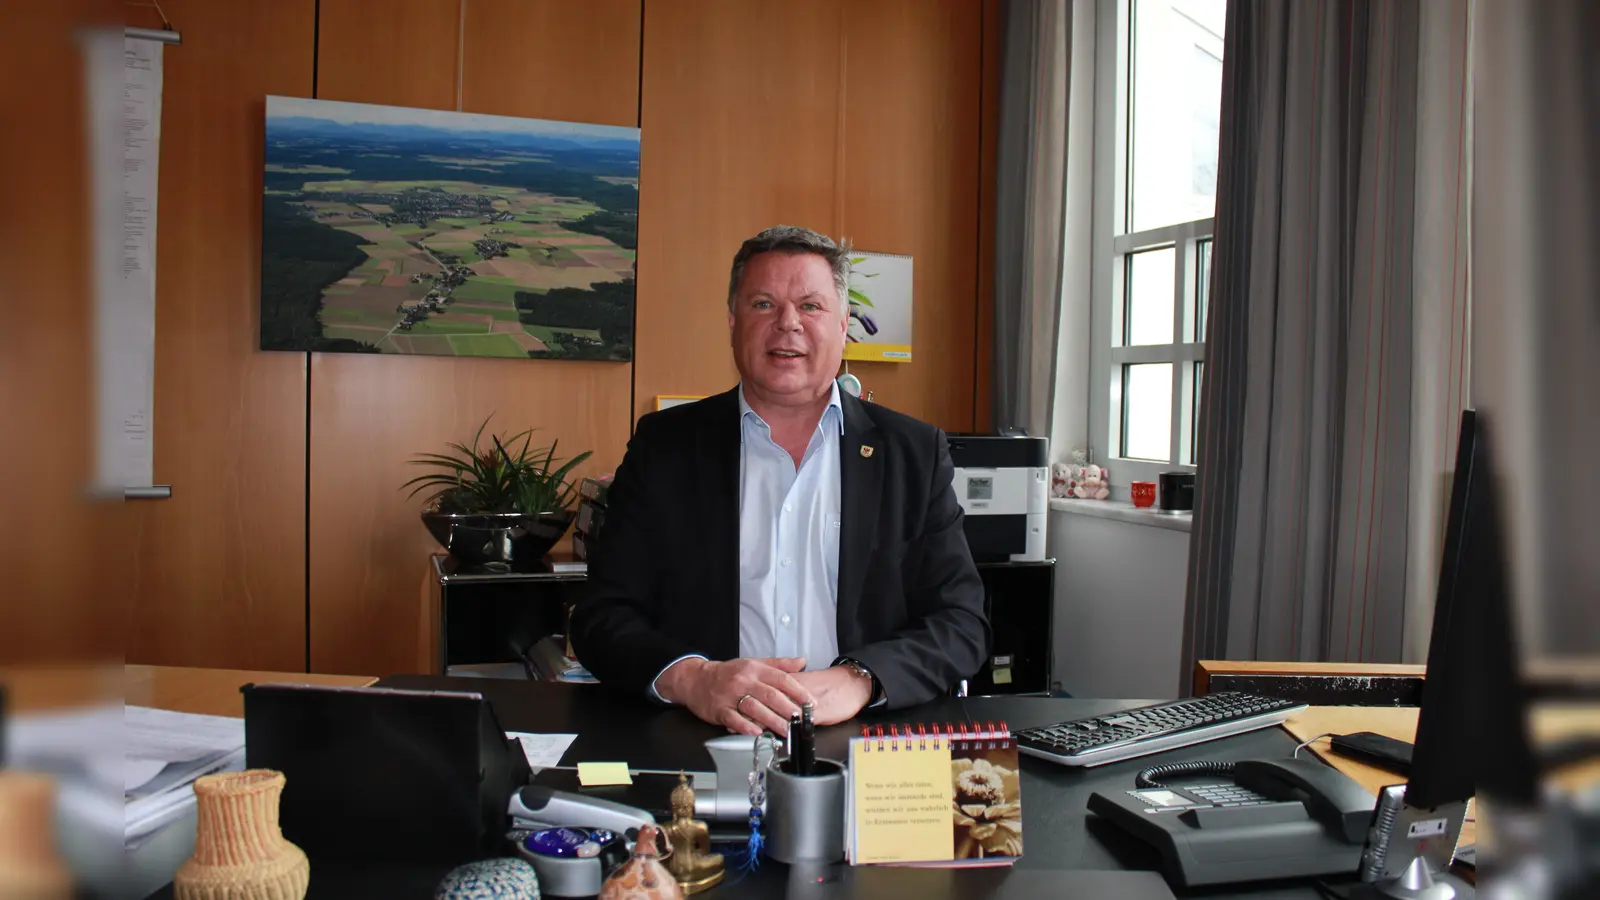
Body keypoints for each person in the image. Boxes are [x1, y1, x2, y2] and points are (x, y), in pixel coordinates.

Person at [569, 225, 989, 736]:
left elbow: (961, 623)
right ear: (732, 322)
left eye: (811, 306)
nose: (788, 324)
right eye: (763, 304)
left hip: (865, 739)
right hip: (704, 735)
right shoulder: (665, 448)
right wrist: (693, 678)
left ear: (844, 325)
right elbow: (602, 616)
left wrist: (861, 679)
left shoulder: (913, 453)